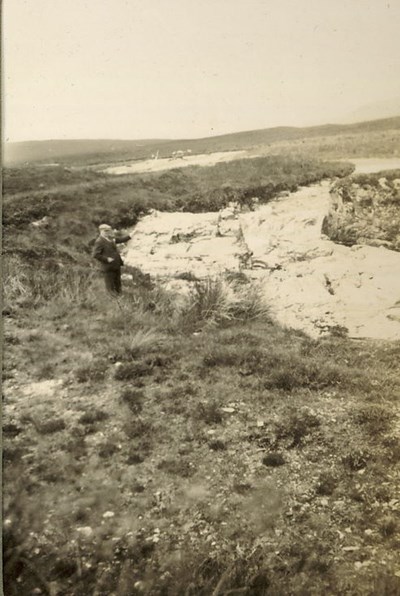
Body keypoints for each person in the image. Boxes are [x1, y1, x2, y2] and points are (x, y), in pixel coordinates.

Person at [92, 224, 132, 295]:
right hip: (108, 267)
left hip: (116, 265)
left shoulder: (110, 238)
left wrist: (131, 235)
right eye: (105, 231)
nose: (107, 232)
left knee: (118, 286)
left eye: (109, 231)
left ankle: (119, 301)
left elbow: (120, 240)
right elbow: (95, 254)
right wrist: (106, 259)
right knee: (110, 287)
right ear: (101, 231)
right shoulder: (99, 241)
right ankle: (112, 302)